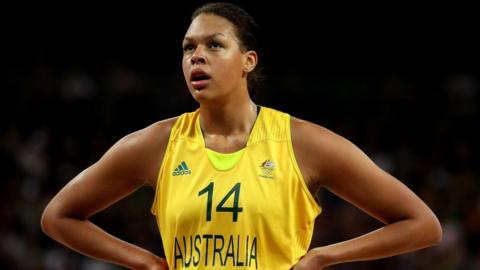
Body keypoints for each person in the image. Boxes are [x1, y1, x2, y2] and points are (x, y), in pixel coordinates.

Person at [41, 2, 442, 269]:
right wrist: (144, 262)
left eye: (215, 45)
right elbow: (58, 216)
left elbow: (422, 224)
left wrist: (322, 257)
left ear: (248, 61)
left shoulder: (302, 142)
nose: (196, 56)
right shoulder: (156, 144)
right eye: (188, 48)